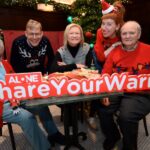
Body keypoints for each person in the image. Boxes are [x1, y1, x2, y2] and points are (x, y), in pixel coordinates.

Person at [9, 19, 65, 146]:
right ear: (26, 33)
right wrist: (26, 83)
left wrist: (49, 74)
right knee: (40, 105)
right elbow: (13, 66)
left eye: (37, 34)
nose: (35, 37)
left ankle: (52, 133)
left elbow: (52, 59)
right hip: (23, 81)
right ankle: (53, 134)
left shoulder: (45, 40)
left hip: (40, 78)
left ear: (42, 33)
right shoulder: (18, 43)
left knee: (46, 102)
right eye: (31, 34)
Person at [98, 21, 150, 150]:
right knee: (103, 109)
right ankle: (113, 136)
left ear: (138, 34)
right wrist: (105, 92)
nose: (127, 36)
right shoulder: (114, 52)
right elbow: (105, 73)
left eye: (131, 33)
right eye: (124, 33)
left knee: (126, 116)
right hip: (117, 90)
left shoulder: (148, 50)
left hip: (141, 93)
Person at [0, 39, 51, 150]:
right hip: (2, 105)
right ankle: (44, 148)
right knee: (26, 117)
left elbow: (15, 80)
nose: (0, 59)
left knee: (41, 104)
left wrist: (18, 93)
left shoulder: (4, 63)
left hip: (16, 97)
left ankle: (54, 134)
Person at [87, 0, 125, 130]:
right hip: (98, 58)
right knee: (98, 87)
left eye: (109, 24)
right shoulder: (99, 32)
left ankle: (114, 110)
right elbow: (101, 56)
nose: (104, 28)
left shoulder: (122, 35)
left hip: (114, 61)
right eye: (103, 23)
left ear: (118, 26)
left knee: (114, 84)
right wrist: (114, 46)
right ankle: (91, 115)